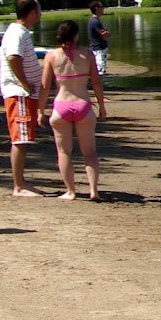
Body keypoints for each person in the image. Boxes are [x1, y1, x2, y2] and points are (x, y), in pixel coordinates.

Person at [41, 19, 107, 201]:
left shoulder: (52, 56)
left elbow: (45, 86)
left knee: (64, 152)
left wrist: (40, 110)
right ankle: (94, 190)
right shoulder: (87, 54)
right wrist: (101, 105)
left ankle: (71, 191)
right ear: (76, 35)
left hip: (62, 105)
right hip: (83, 105)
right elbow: (96, 82)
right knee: (90, 152)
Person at [0, 0, 44, 197]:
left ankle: (21, 182)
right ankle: (18, 185)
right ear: (32, 13)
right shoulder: (17, 32)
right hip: (19, 94)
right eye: (39, 10)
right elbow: (13, 57)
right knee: (20, 139)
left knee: (25, 138)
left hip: (24, 94)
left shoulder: (21, 32)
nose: (41, 14)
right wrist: (25, 83)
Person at [86, 1, 110, 78]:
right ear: (97, 9)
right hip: (98, 48)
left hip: (95, 48)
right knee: (100, 69)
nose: (103, 9)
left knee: (97, 67)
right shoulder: (95, 21)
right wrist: (107, 33)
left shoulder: (93, 20)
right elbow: (103, 35)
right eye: (101, 7)